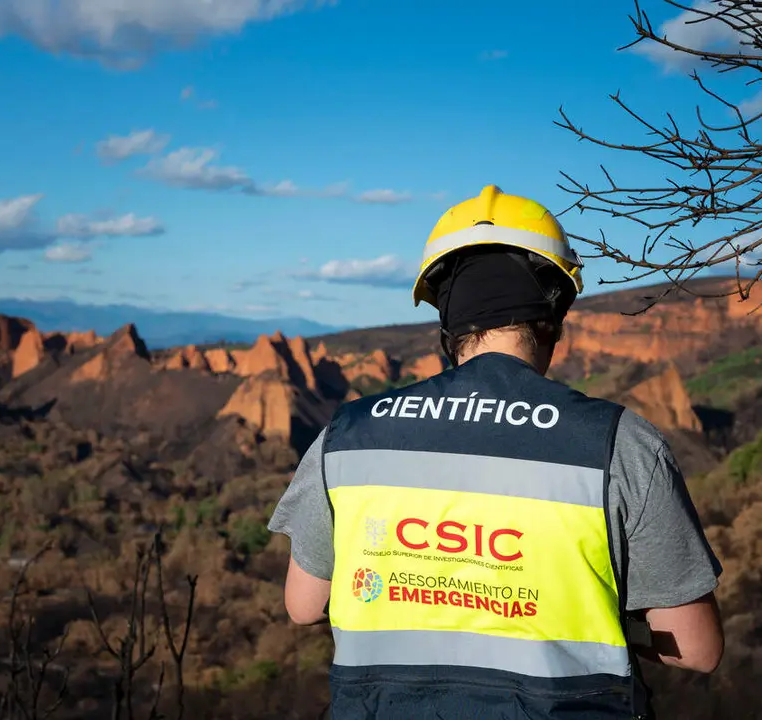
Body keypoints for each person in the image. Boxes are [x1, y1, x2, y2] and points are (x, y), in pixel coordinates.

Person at [267, 185, 725, 719]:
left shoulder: (347, 434)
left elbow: (304, 606)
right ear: (554, 317)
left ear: (447, 322)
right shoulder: (620, 443)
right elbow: (696, 649)